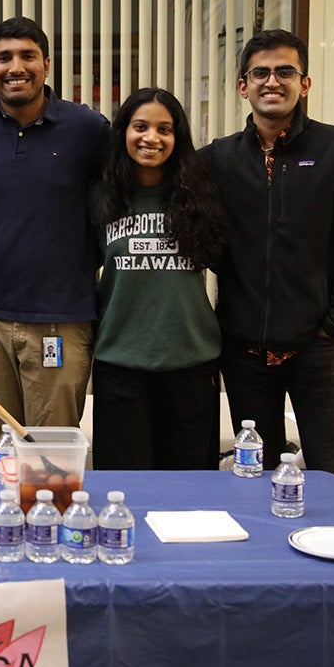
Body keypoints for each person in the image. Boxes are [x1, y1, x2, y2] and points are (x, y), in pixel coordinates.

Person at [200, 29, 334, 486]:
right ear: (243, 85)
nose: (272, 81)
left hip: (317, 347)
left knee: (333, 474)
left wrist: (332, 320)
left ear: (305, 83)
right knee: (255, 474)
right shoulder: (218, 159)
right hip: (244, 350)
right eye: (260, 72)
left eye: (285, 71)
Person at [0, 16, 111, 463]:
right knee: (3, 454)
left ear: (47, 65)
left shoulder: (89, 130)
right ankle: (9, 532)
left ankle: (52, 530)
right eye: (3, 58)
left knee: (52, 458)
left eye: (27, 56)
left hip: (60, 316)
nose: (16, 66)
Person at [90, 88, 226, 469]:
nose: (151, 138)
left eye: (164, 129)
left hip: (191, 361)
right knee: (125, 491)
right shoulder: (101, 197)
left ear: (177, 138)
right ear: (123, 132)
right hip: (120, 361)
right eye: (140, 126)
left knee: (189, 493)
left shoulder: (200, 195)